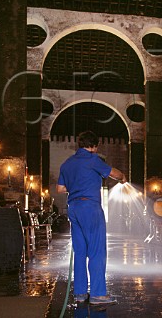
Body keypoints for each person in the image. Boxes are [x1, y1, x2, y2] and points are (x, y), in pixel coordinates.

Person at [57, 131, 127, 306]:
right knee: (96, 251)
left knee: (80, 252)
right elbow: (115, 174)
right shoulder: (93, 159)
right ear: (94, 147)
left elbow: (60, 188)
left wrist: (77, 188)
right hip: (90, 208)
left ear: (80, 144)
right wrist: (123, 177)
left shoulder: (66, 164)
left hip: (73, 208)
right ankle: (97, 294)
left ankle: (80, 293)